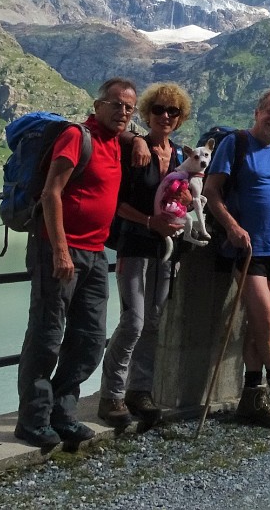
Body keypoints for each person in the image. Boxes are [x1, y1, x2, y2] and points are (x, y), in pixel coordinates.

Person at [15, 78, 135, 449]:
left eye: (129, 108)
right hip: (59, 250)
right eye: (116, 104)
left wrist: (141, 140)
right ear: (98, 104)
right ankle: (33, 420)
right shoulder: (76, 137)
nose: (123, 112)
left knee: (90, 340)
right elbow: (52, 193)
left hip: (96, 254)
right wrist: (61, 251)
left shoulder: (117, 144)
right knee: (48, 337)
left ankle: (62, 412)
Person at [202, 88, 270, 428]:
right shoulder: (236, 143)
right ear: (257, 112)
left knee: (258, 325)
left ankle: (250, 398)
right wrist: (231, 225)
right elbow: (211, 191)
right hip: (246, 249)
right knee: (265, 318)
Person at [96, 82, 191, 430]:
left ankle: (140, 390)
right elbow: (117, 203)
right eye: (159, 110)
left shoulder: (181, 156)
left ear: (180, 118)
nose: (165, 116)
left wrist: (186, 205)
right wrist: (151, 220)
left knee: (153, 321)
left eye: (173, 111)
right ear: (148, 113)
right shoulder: (136, 148)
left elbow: (183, 198)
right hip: (135, 244)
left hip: (166, 250)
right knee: (133, 321)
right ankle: (112, 395)